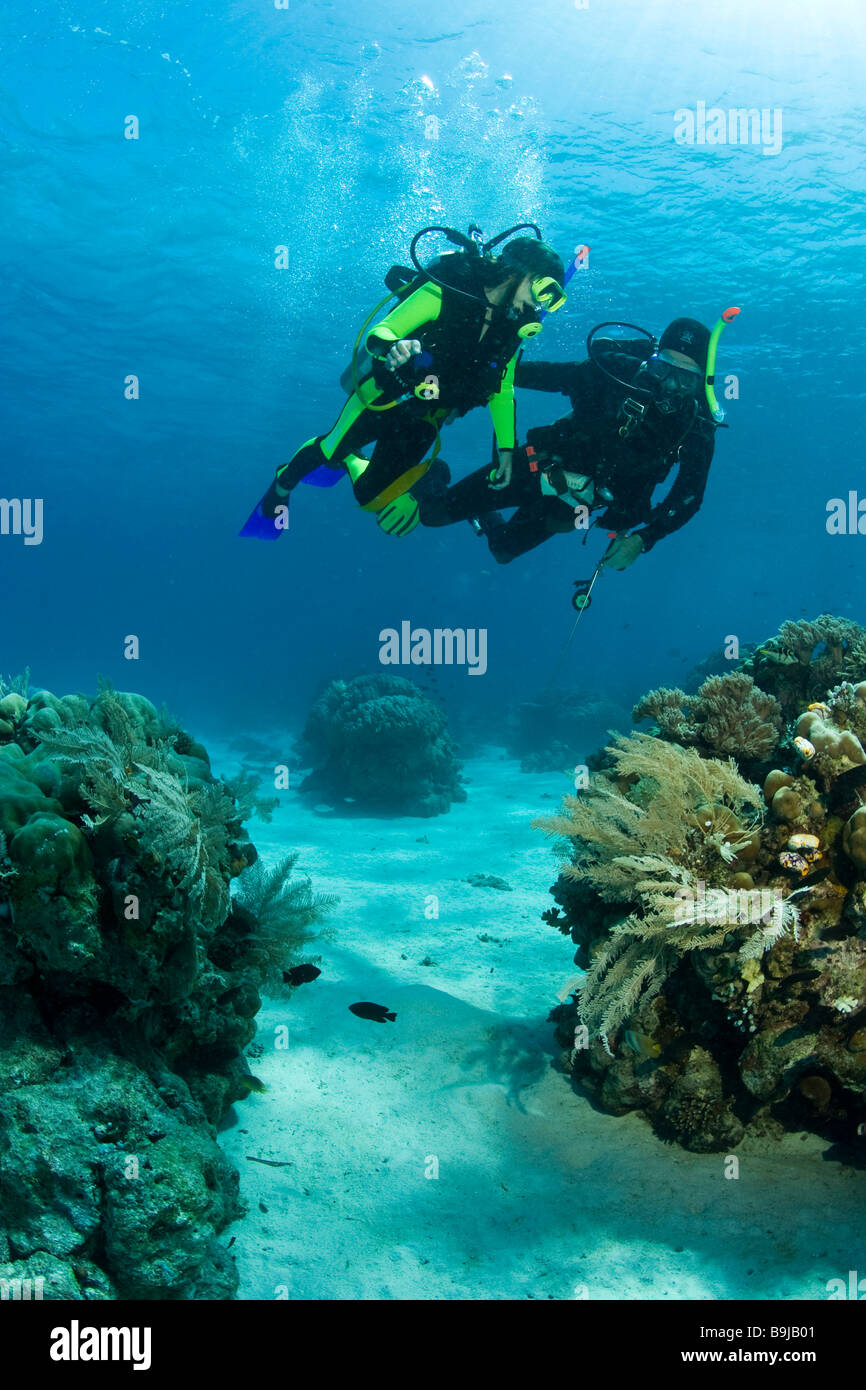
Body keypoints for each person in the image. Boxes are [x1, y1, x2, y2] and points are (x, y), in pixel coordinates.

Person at [255, 232, 567, 537]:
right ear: (517, 271)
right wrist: (393, 347)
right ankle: (282, 484)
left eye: (550, 301)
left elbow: (503, 390)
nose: (539, 305)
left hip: (428, 416)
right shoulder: (449, 286)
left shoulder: (512, 327)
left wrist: (506, 450)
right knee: (329, 450)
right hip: (386, 395)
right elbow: (383, 331)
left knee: (370, 499)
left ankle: (357, 461)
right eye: (543, 291)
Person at [417, 318, 719, 566]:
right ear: (651, 361)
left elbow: (689, 495)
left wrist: (642, 539)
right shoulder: (615, 372)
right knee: (432, 515)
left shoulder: (698, 424)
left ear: (699, 383)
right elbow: (538, 375)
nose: (668, 384)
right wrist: (466, 385)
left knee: (503, 551)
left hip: (576, 503)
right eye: (662, 368)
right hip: (539, 464)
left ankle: (482, 512)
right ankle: (433, 473)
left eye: (684, 378)